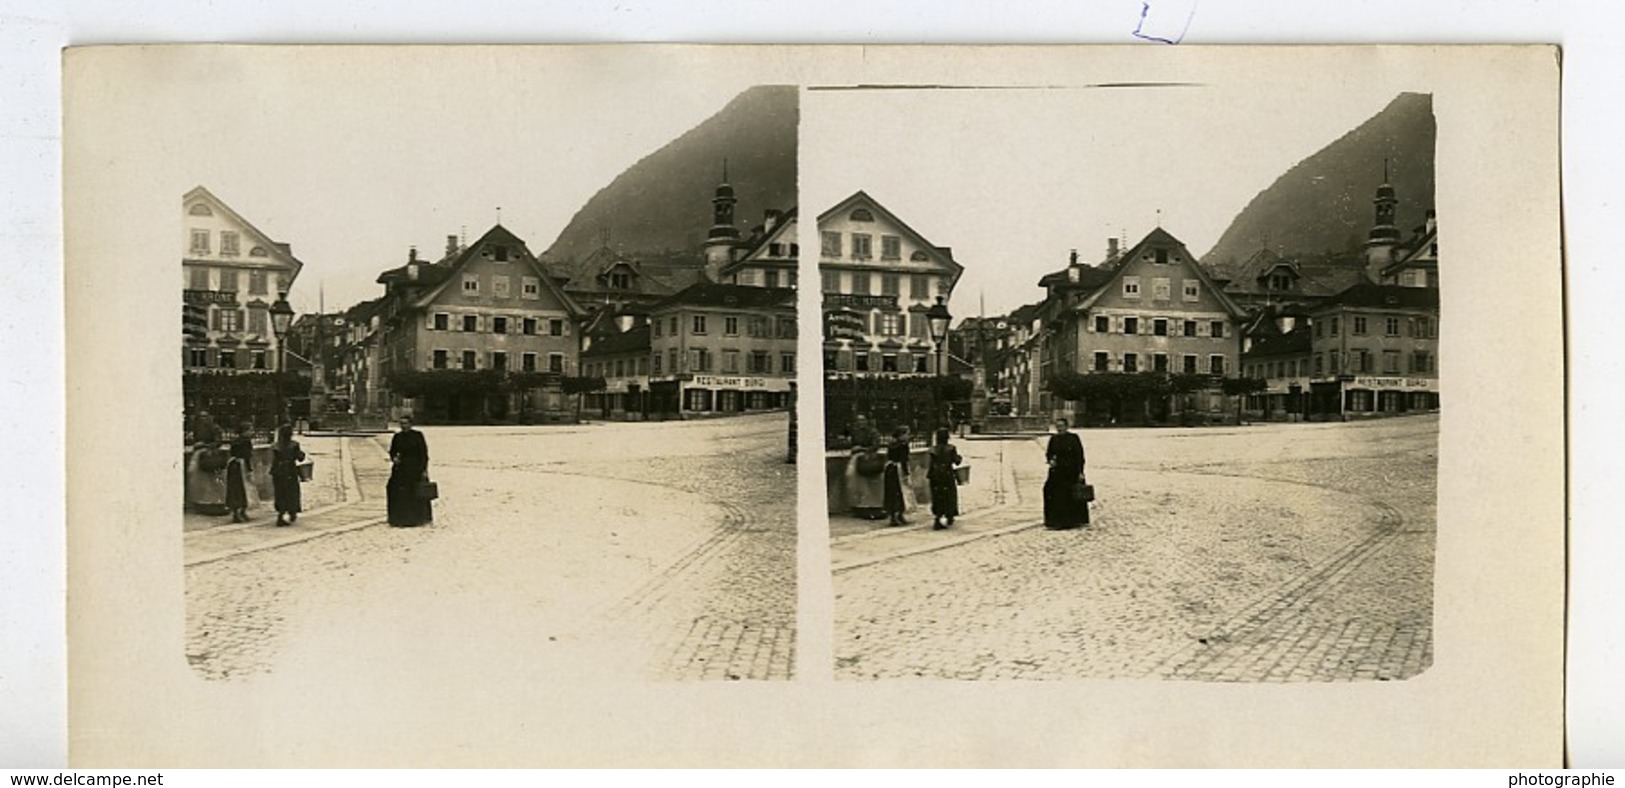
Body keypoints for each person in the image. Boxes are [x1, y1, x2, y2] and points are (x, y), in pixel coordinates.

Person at [1043, 417, 1090, 529]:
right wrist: (1051, 460)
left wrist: (1080, 471)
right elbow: (1049, 453)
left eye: (1061, 426)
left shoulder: (1073, 438)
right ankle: (1055, 520)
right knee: (1052, 493)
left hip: (1071, 471)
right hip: (1058, 471)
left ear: (1066, 427)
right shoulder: (1054, 439)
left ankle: (1073, 520)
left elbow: (1079, 456)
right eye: (1057, 426)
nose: (1059, 429)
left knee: (1070, 495)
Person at [387, 414, 433, 527]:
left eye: (406, 423)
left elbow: (423, 453)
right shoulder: (398, 437)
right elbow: (392, 451)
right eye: (401, 424)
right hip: (401, 469)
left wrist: (424, 469)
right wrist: (394, 458)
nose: (403, 426)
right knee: (396, 491)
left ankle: (418, 518)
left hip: (415, 468)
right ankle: (399, 518)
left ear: (411, 424)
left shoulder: (418, 436)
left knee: (415, 492)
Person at [843, 414, 886, 519]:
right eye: (858, 421)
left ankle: (873, 506)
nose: (860, 423)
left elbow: (876, 445)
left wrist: (862, 449)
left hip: (868, 458)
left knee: (870, 484)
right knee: (854, 482)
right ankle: (859, 506)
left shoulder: (872, 432)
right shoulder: (854, 432)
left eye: (862, 420)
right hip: (857, 459)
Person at [185, 411, 228, 515]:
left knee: (213, 482)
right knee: (197, 480)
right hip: (199, 455)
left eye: (205, 417)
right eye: (200, 417)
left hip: (210, 455)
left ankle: (215, 503)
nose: (202, 419)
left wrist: (205, 445)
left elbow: (218, 442)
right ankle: (202, 503)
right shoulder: (197, 428)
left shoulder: (215, 428)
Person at [926, 427, 963, 530]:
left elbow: (931, 464)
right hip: (947, 474)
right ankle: (949, 515)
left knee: (937, 496)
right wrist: (959, 457)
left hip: (935, 475)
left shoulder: (933, 449)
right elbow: (956, 461)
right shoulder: (951, 448)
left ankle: (937, 517)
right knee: (949, 495)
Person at [269, 423, 306, 526]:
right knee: (292, 492)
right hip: (290, 470)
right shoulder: (294, 445)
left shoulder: (275, 445)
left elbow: (274, 460)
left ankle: (280, 515)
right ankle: (292, 511)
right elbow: (300, 458)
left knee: (280, 493)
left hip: (278, 471)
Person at [224, 422, 256, 523]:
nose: (252, 432)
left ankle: (237, 511)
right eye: (250, 430)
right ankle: (240, 510)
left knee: (235, 490)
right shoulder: (245, 442)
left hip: (234, 465)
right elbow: (247, 456)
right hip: (240, 467)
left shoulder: (235, 442)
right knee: (242, 489)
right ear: (244, 431)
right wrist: (250, 469)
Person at [882, 425, 913, 526]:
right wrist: (907, 472)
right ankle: (899, 514)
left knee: (891, 493)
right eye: (907, 434)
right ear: (901, 435)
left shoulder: (891, 445)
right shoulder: (903, 446)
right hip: (898, 470)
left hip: (890, 469)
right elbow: (904, 460)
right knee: (901, 492)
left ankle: (893, 515)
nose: (908, 436)